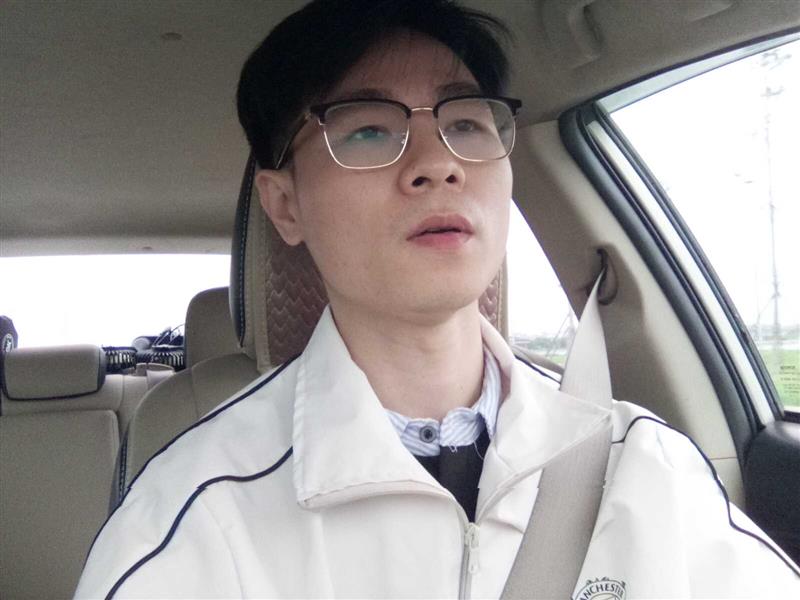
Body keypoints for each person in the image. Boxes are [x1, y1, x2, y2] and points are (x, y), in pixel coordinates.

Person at [75, 0, 800, 597]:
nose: (438, 163)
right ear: (285, 205)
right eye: (368, 129)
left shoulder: (641, 464)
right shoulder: (197, 518)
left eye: (464, 123)